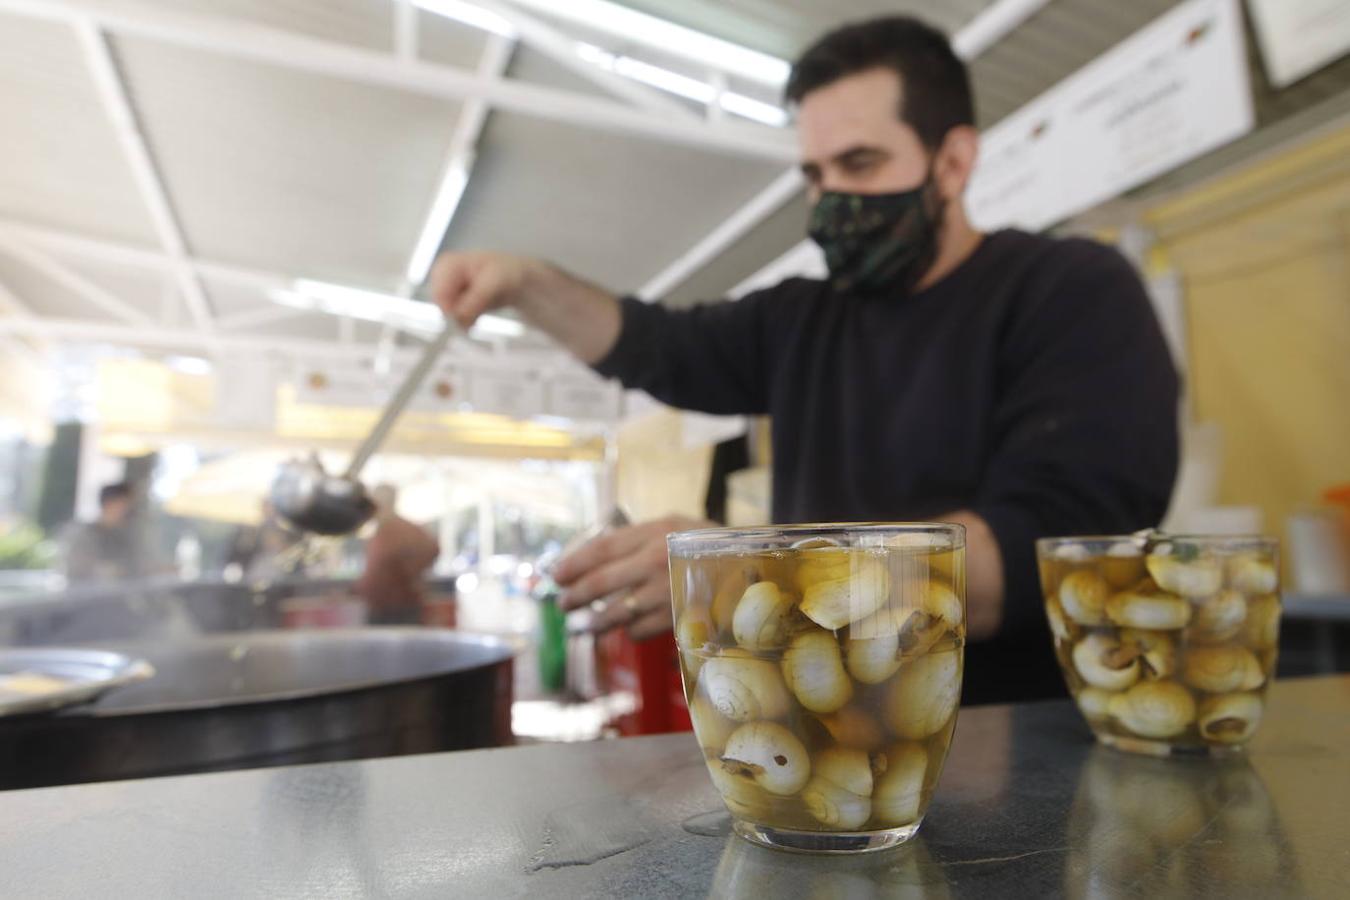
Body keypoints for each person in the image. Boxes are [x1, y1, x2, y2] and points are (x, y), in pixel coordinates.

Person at [429, 17, 1179, 703]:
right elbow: (654, 344)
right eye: (816, 176)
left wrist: (749, 572)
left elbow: (1050, 553)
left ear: (953, 161)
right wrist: (526, 284)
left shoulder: (1070, 292)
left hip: (1020, 756)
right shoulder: (800, 319)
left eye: (859, 163)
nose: (831, 201)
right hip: (824, 743)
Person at [354, 484, 440, 626]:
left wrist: (411, 572)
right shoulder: (384, 532)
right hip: (387, 608)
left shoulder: (398, 531)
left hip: (397, 611)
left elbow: (433, 549)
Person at [63, 481, 148, 583]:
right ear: (110, 504)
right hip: (86, 597)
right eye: (128, 504)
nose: (132, 510)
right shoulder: (84, 535)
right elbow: (76, 571)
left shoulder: (122, 536)